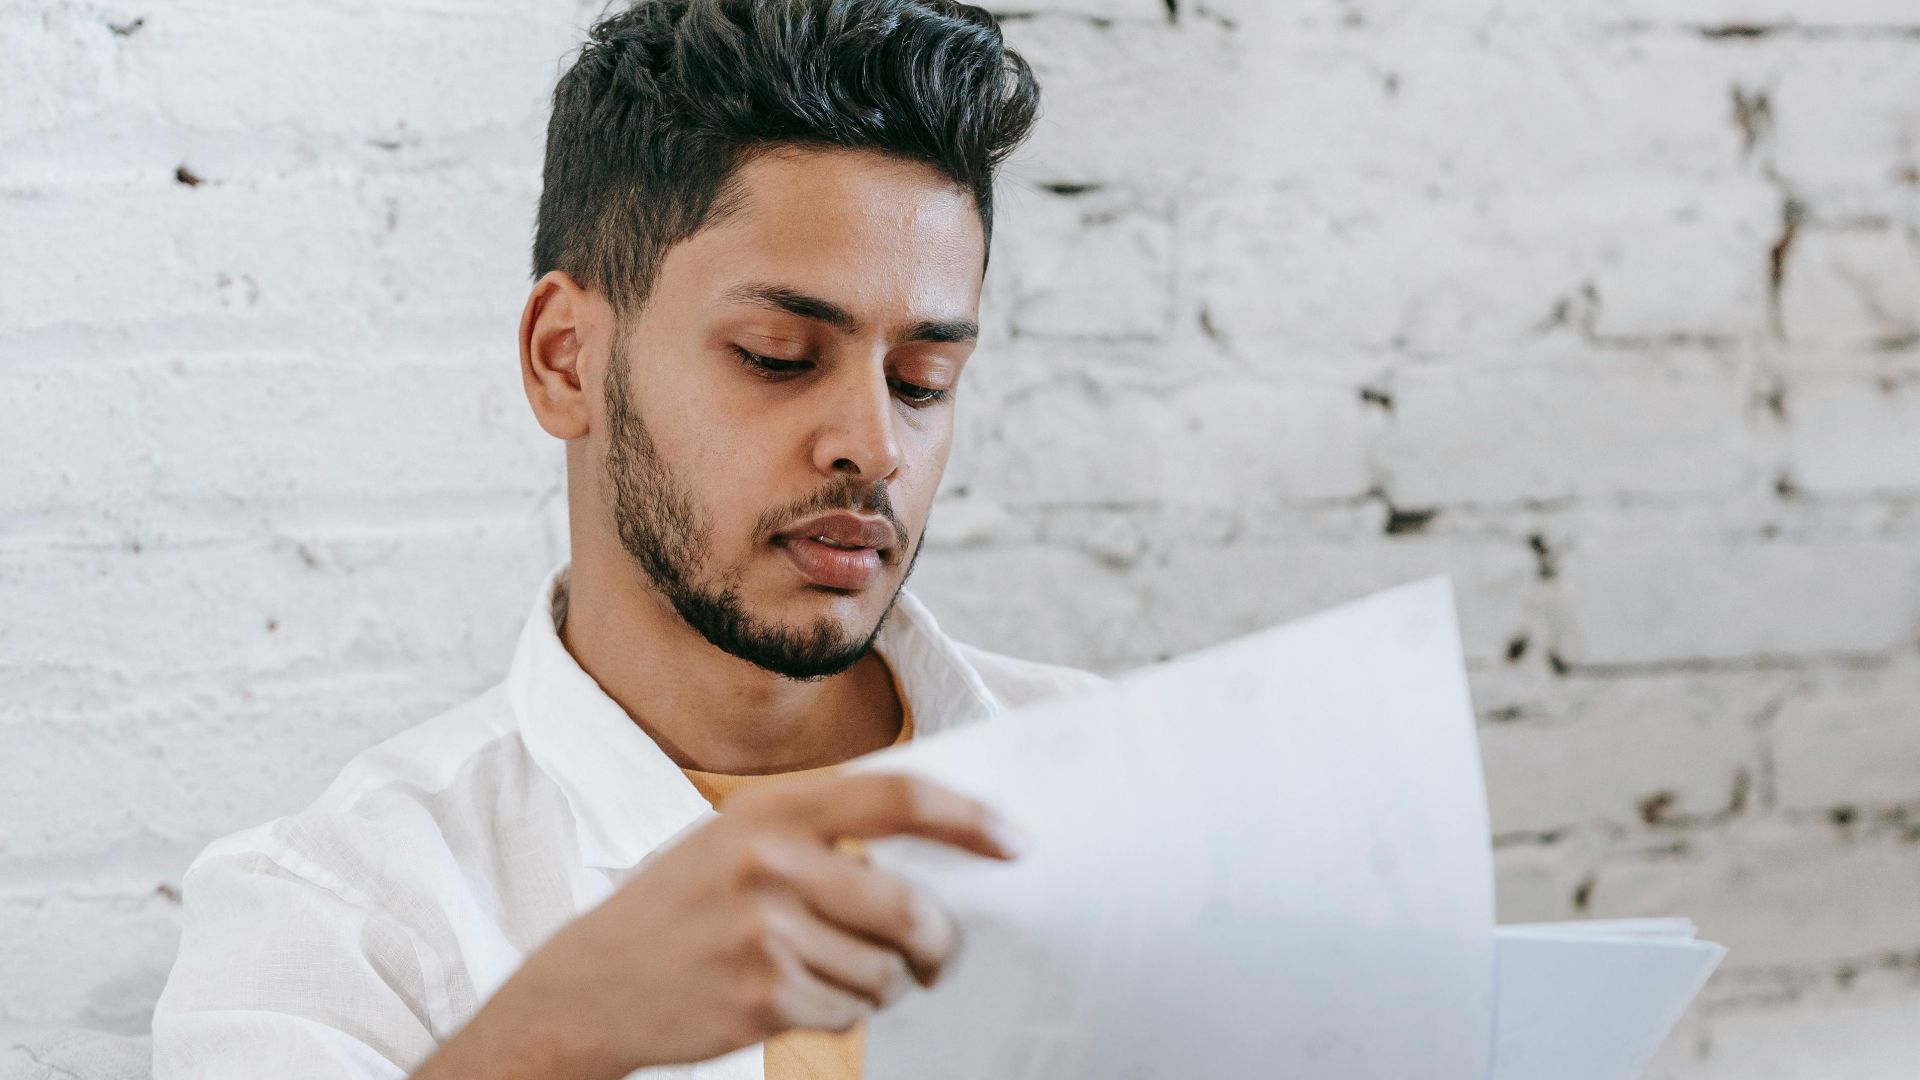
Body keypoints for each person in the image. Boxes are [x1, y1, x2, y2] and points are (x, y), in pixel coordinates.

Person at [151, 2, 1104, 1078]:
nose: (874, 447)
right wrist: (550, 1041)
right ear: (566, 360)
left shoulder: (1134, 782)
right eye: (779, 356)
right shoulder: (341, 913)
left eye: (923, 381)